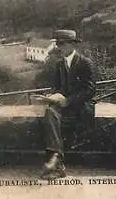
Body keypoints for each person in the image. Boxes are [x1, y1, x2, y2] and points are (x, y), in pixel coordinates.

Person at [41, 29, 96, 180]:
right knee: (50, 111)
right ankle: (56, 160)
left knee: (53, 115)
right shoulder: (59, 64)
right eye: (57, 43)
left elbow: (90, 90)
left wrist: (69, 101)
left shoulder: (85, 63)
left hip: (80, 105)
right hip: (63, 105)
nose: (59, 47)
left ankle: (56, 162)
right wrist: (51, 96)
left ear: (72, 44)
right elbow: (57, 87)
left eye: (62, 43)